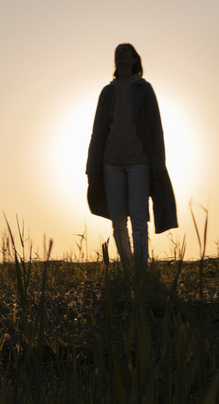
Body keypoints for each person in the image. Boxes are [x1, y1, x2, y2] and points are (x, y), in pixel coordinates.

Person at [86, 43, 177, 274]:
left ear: (135, 59)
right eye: (117, 51)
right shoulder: (108, 91)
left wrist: (158, 161)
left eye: (125, 50)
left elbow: (156, 127)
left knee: (138, 217)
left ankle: (141, 270)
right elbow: (97, 130)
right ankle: (128, 269)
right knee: (117, 220)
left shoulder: (144, 89)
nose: (120, 53)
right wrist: (92, 164)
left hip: (140, 161)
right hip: (110, 162)